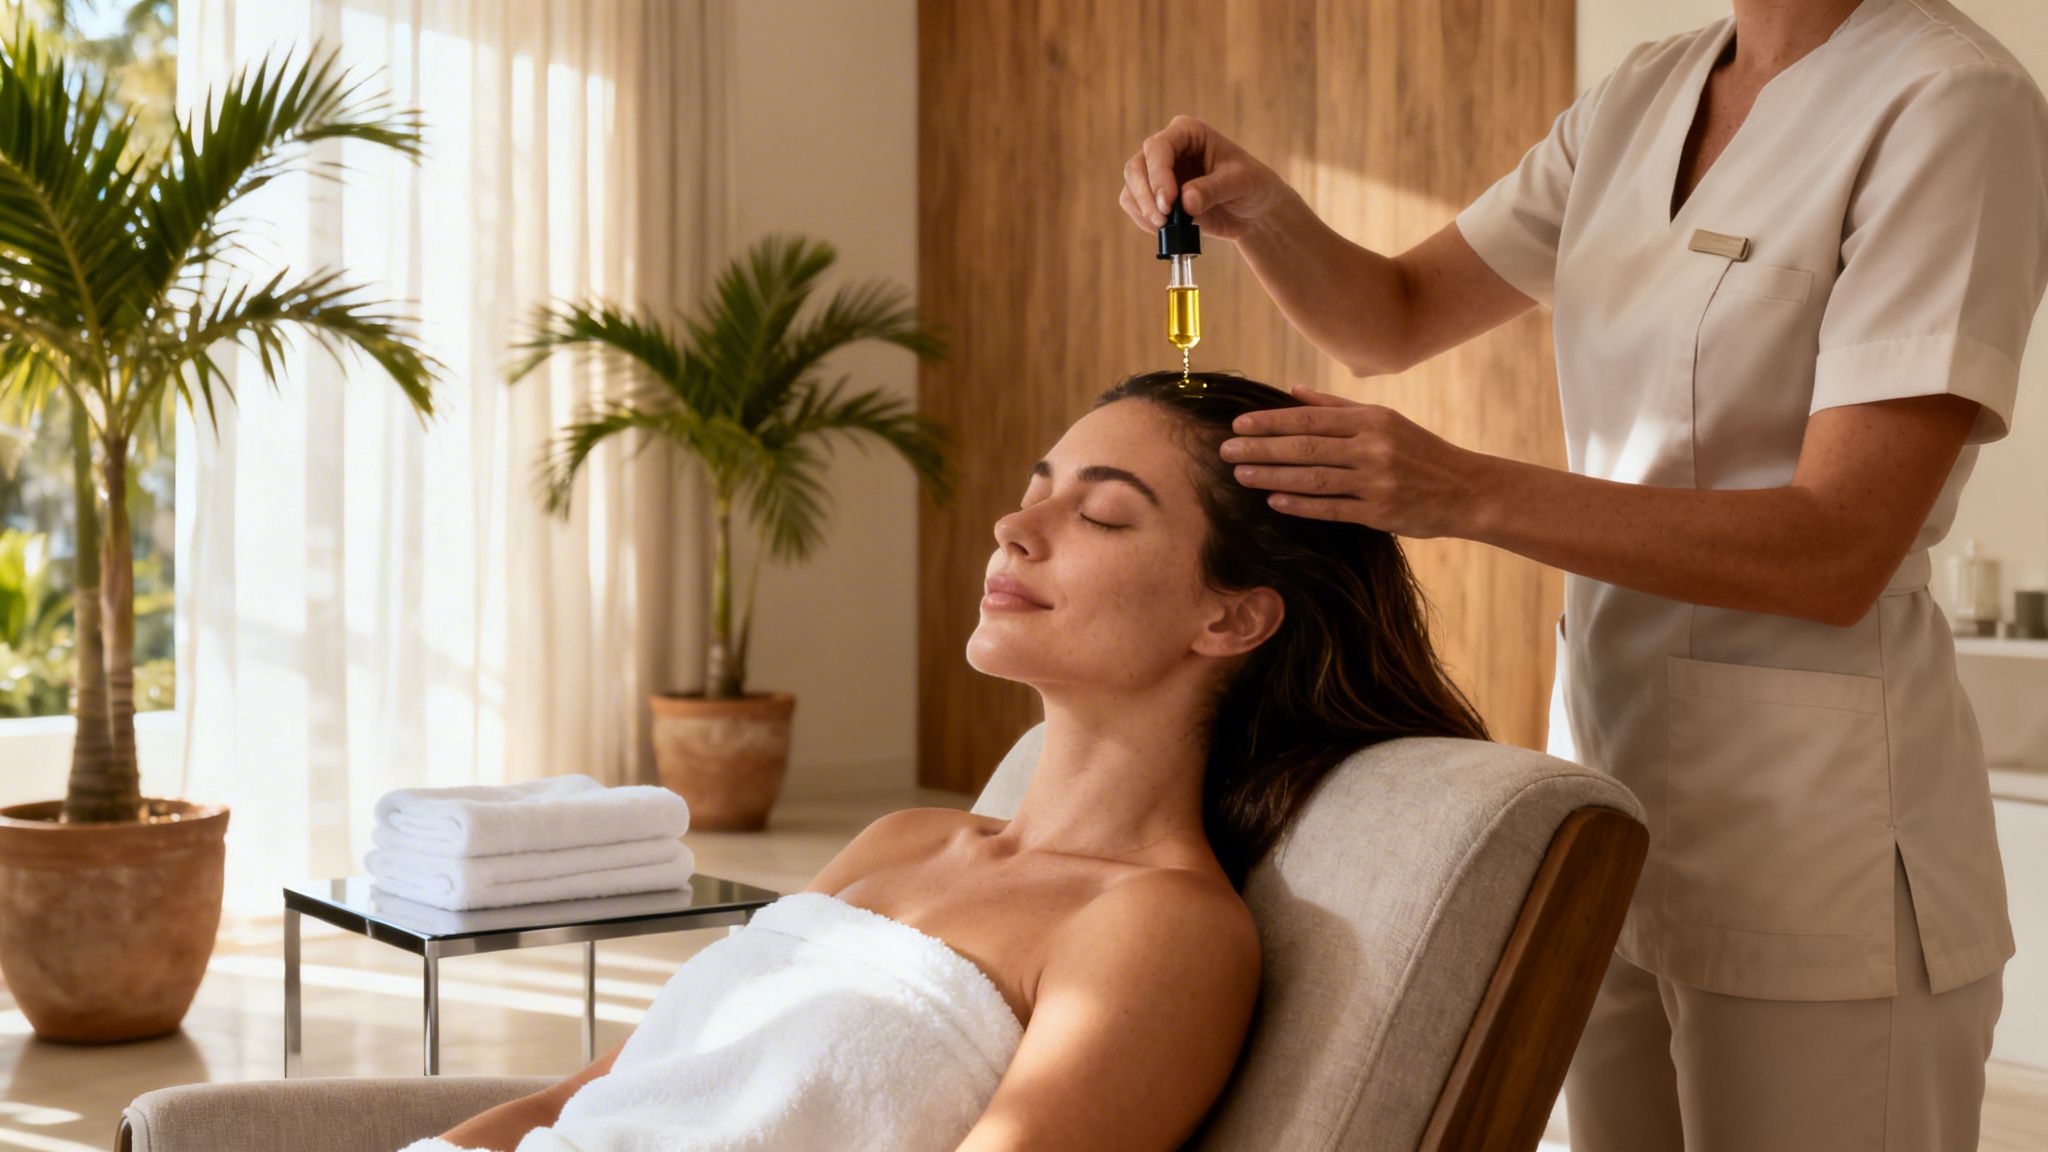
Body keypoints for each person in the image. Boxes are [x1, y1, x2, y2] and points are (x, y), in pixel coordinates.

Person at [1118, 1, 2048, 1149]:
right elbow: (1390, 317)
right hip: (1605, 807)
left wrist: (1459, 490)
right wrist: (1264, 215)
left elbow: (1837, 546)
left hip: (1816, 844)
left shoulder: (1947, 101)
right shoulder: (1642, 95)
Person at [414, 373, 1488, 1152]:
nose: (1013, 526)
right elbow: (599, 1092)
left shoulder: (1157, 929)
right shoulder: (908, 838)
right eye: (1037, 488)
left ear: (1233, 615)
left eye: (1101, 513)